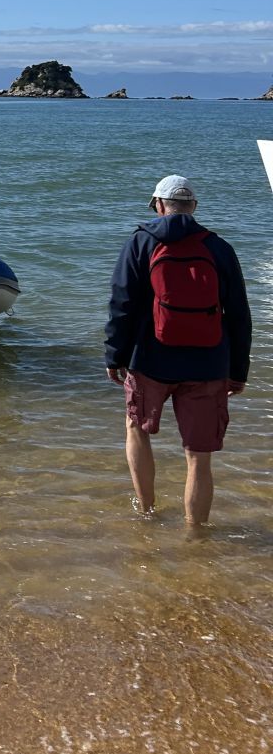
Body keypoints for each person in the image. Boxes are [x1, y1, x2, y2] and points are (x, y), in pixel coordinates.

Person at [105, 174, 251, 526]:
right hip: (209, 363)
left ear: (158, 205)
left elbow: (121, 304)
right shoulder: (219, 248)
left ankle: (146, 513)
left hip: (149, 360)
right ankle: (195, 534)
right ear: (194, 208)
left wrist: (114, 356)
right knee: (199, 457)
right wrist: (238, 369)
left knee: (136, 430)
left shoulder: (141, 242)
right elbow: (239, 314)